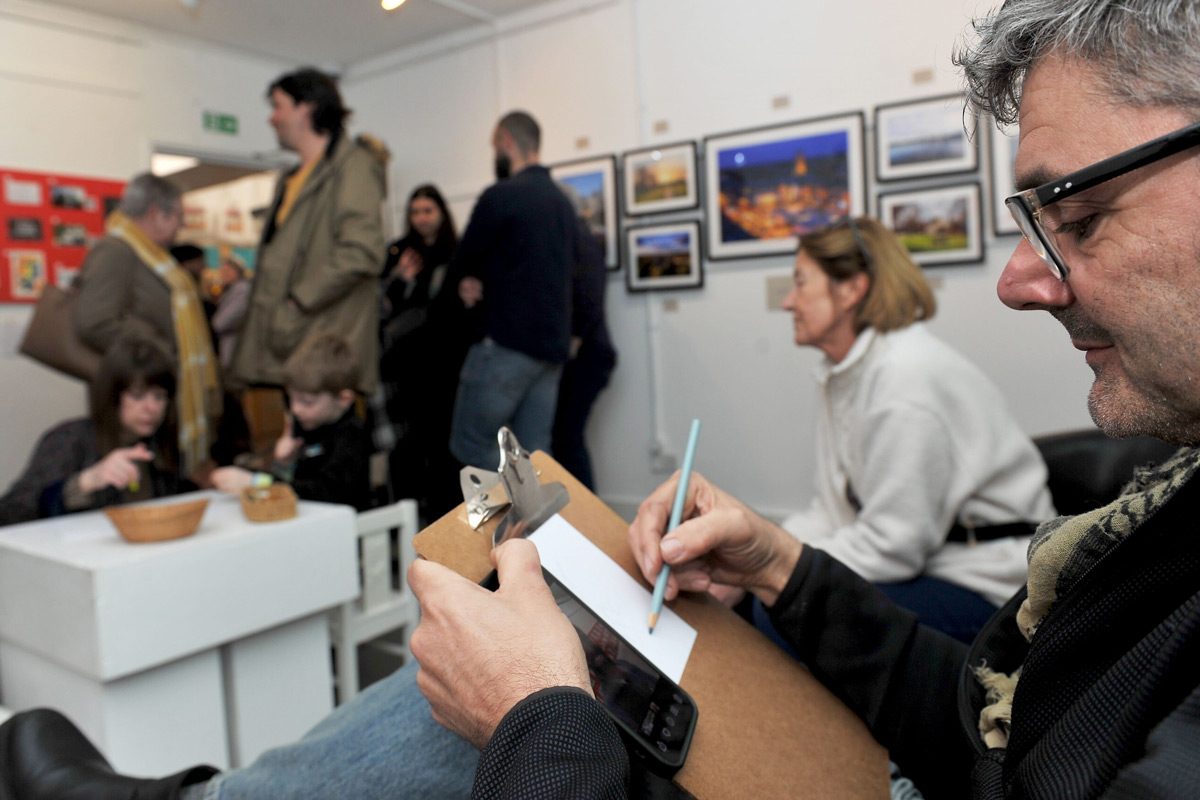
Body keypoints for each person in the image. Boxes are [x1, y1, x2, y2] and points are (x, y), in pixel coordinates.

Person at [9, 2, 1200, 799]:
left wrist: (541, 719)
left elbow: (912, 570)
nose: (1021, 276)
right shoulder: (1152, 541)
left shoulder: (914, 386)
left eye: (1080, 213)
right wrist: (784, 564)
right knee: (596, 633)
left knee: (552, 678)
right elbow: (992, 729)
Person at [755, 217, 1054, 643]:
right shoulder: (847, 373)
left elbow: (894, 549)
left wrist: (773, 566)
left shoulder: (903, 378)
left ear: (851, 290)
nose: (788, 302)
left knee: (782, 611)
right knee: (769, 595)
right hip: (937, 567)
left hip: (995, 590)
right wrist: (758, 549)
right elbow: (833, 512)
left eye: (800, 283)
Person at [227, 67, 387, 399]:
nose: (272, 118)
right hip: (282, 351)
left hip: (317, 361)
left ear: (306, 108)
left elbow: (362, 252)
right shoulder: (289, 179)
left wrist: (297, 303)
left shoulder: (352, 166)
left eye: (278, 106)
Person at [447, 110, 579, 469]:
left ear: (506, 142)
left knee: (471, 444)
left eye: (494, 146)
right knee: (536, 455)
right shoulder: (563, 202)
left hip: (504, 346)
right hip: (550, 351)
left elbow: (462, 261)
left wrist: (468, 282)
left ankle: (508, 507)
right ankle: (536, 508)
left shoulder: (501, 196)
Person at [74, 173, 221, 477]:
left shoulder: (154, 258)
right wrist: (157, 348)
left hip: (157, 390)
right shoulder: (116, 251)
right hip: (136, 392)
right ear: (155, 213)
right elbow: (95, 321)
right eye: (178, 216)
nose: (182, 225)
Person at [0, 335, 189, 526]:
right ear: (112, 395)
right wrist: (83, 483)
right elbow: (10, 513)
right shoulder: (71, 439)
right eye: (137, 395)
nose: (152, 408)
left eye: (159, 396)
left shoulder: (161, 443)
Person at [375, 184, 474, 517]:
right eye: (415, 212)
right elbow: (381, 307)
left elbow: (465, 309)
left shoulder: (458, 252)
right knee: (408, 446)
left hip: (446, 365)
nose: (421, 218)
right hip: (404, 367)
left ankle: (448, 516)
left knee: (445, 443)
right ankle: (413, 517)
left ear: (442, 213)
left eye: (428, 211)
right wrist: (400, 278)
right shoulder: (399, 252)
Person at [213, 332, 372, 511]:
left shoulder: (350, 435)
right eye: (291, 399)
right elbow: (295, 485)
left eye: (307, 402)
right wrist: (285, 464)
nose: (295, 409)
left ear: (343, 399)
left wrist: (258, 484)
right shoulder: (306, 424)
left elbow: (325, 495)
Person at [551, 200, 617, 492]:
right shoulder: (580, 239)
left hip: (585, 355)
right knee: (566, 439)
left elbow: (590, 297)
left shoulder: (578, 240)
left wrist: (574, 340)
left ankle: (586, 514)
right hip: (587, 353)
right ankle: (582, 512)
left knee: (566, 440)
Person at [210, 254, 252, 369]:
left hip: (233, 348)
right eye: (222, 270)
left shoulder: (242, 290)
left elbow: (222, 322)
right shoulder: (232, 289)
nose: (223, 273)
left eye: (227, 270)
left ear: (237, 271)